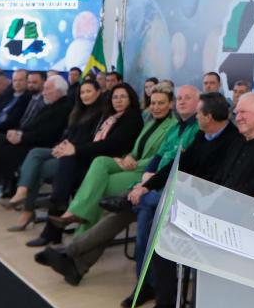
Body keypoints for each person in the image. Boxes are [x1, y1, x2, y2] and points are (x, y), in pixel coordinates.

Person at [128, 91, 254, 308]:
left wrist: (206, 208)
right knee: (161, 225)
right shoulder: (239, 142)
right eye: (237, 111)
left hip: (240, 220)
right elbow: (219, 181)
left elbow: (250, 191)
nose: (237, 116)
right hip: (216, 209)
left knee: (176, 230)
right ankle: (167, 302)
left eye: (243, 112)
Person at [34, 85, 202, 290]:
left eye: (187, 98)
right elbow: (156, 156)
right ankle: (75, 262)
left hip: (162, 186)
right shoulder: (169, 127)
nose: (181, 102)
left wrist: (146, 180)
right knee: (106, 185)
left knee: (103, 194)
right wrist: (131, 161)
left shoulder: (191, 129)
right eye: (180, 98)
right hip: (149, 180)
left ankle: (72, 250)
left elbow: (175, 164)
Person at [47, 83, 177, 233]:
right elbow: (136, 149)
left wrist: (134, 162)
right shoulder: (150, 123)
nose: (156, 107)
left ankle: (78, 232)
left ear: (171, 104)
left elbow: (161, 159)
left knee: (96, 186)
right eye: (153, 103)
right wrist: (127, 157)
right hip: (130, 163)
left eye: (161, 103)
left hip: (145, 174)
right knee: (100, 161)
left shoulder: (173, 126)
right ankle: (75, 218)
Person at [27, 82, 144, 247]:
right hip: (97, 158)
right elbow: (93, 140)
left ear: (131, 99)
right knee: (67, 166)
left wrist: (76, 149)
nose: (118, 100)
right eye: (115, 97)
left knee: (68, 169)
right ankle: (57, 211)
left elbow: (111, 145)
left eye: (122, 97)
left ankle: (55, 219)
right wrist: (71, 148)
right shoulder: (111, 117)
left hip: (111, 163)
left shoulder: (131, 117)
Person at [0, 75, 72, 210]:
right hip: (28, 140)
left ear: (58, 91)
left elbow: (49, 135)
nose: (44, 92)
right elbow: (30, 125)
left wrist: (22, 137)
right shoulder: (51, 105)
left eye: (47, 89)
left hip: (39, 147)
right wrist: (17, 132)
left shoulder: (63, 107)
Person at [4, 79, 105, 231]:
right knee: (35, 153)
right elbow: (69, 135)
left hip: (78, 156)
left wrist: (69, 147)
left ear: (98, 92)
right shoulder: (78, 110)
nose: (85, 95)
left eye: (89, 91)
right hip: (66, 150)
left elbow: (92, 141)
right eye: (82, 92)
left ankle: (27, 211)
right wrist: (61, 145)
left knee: (38, 169)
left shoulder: (102, 114)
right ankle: (21, 192)